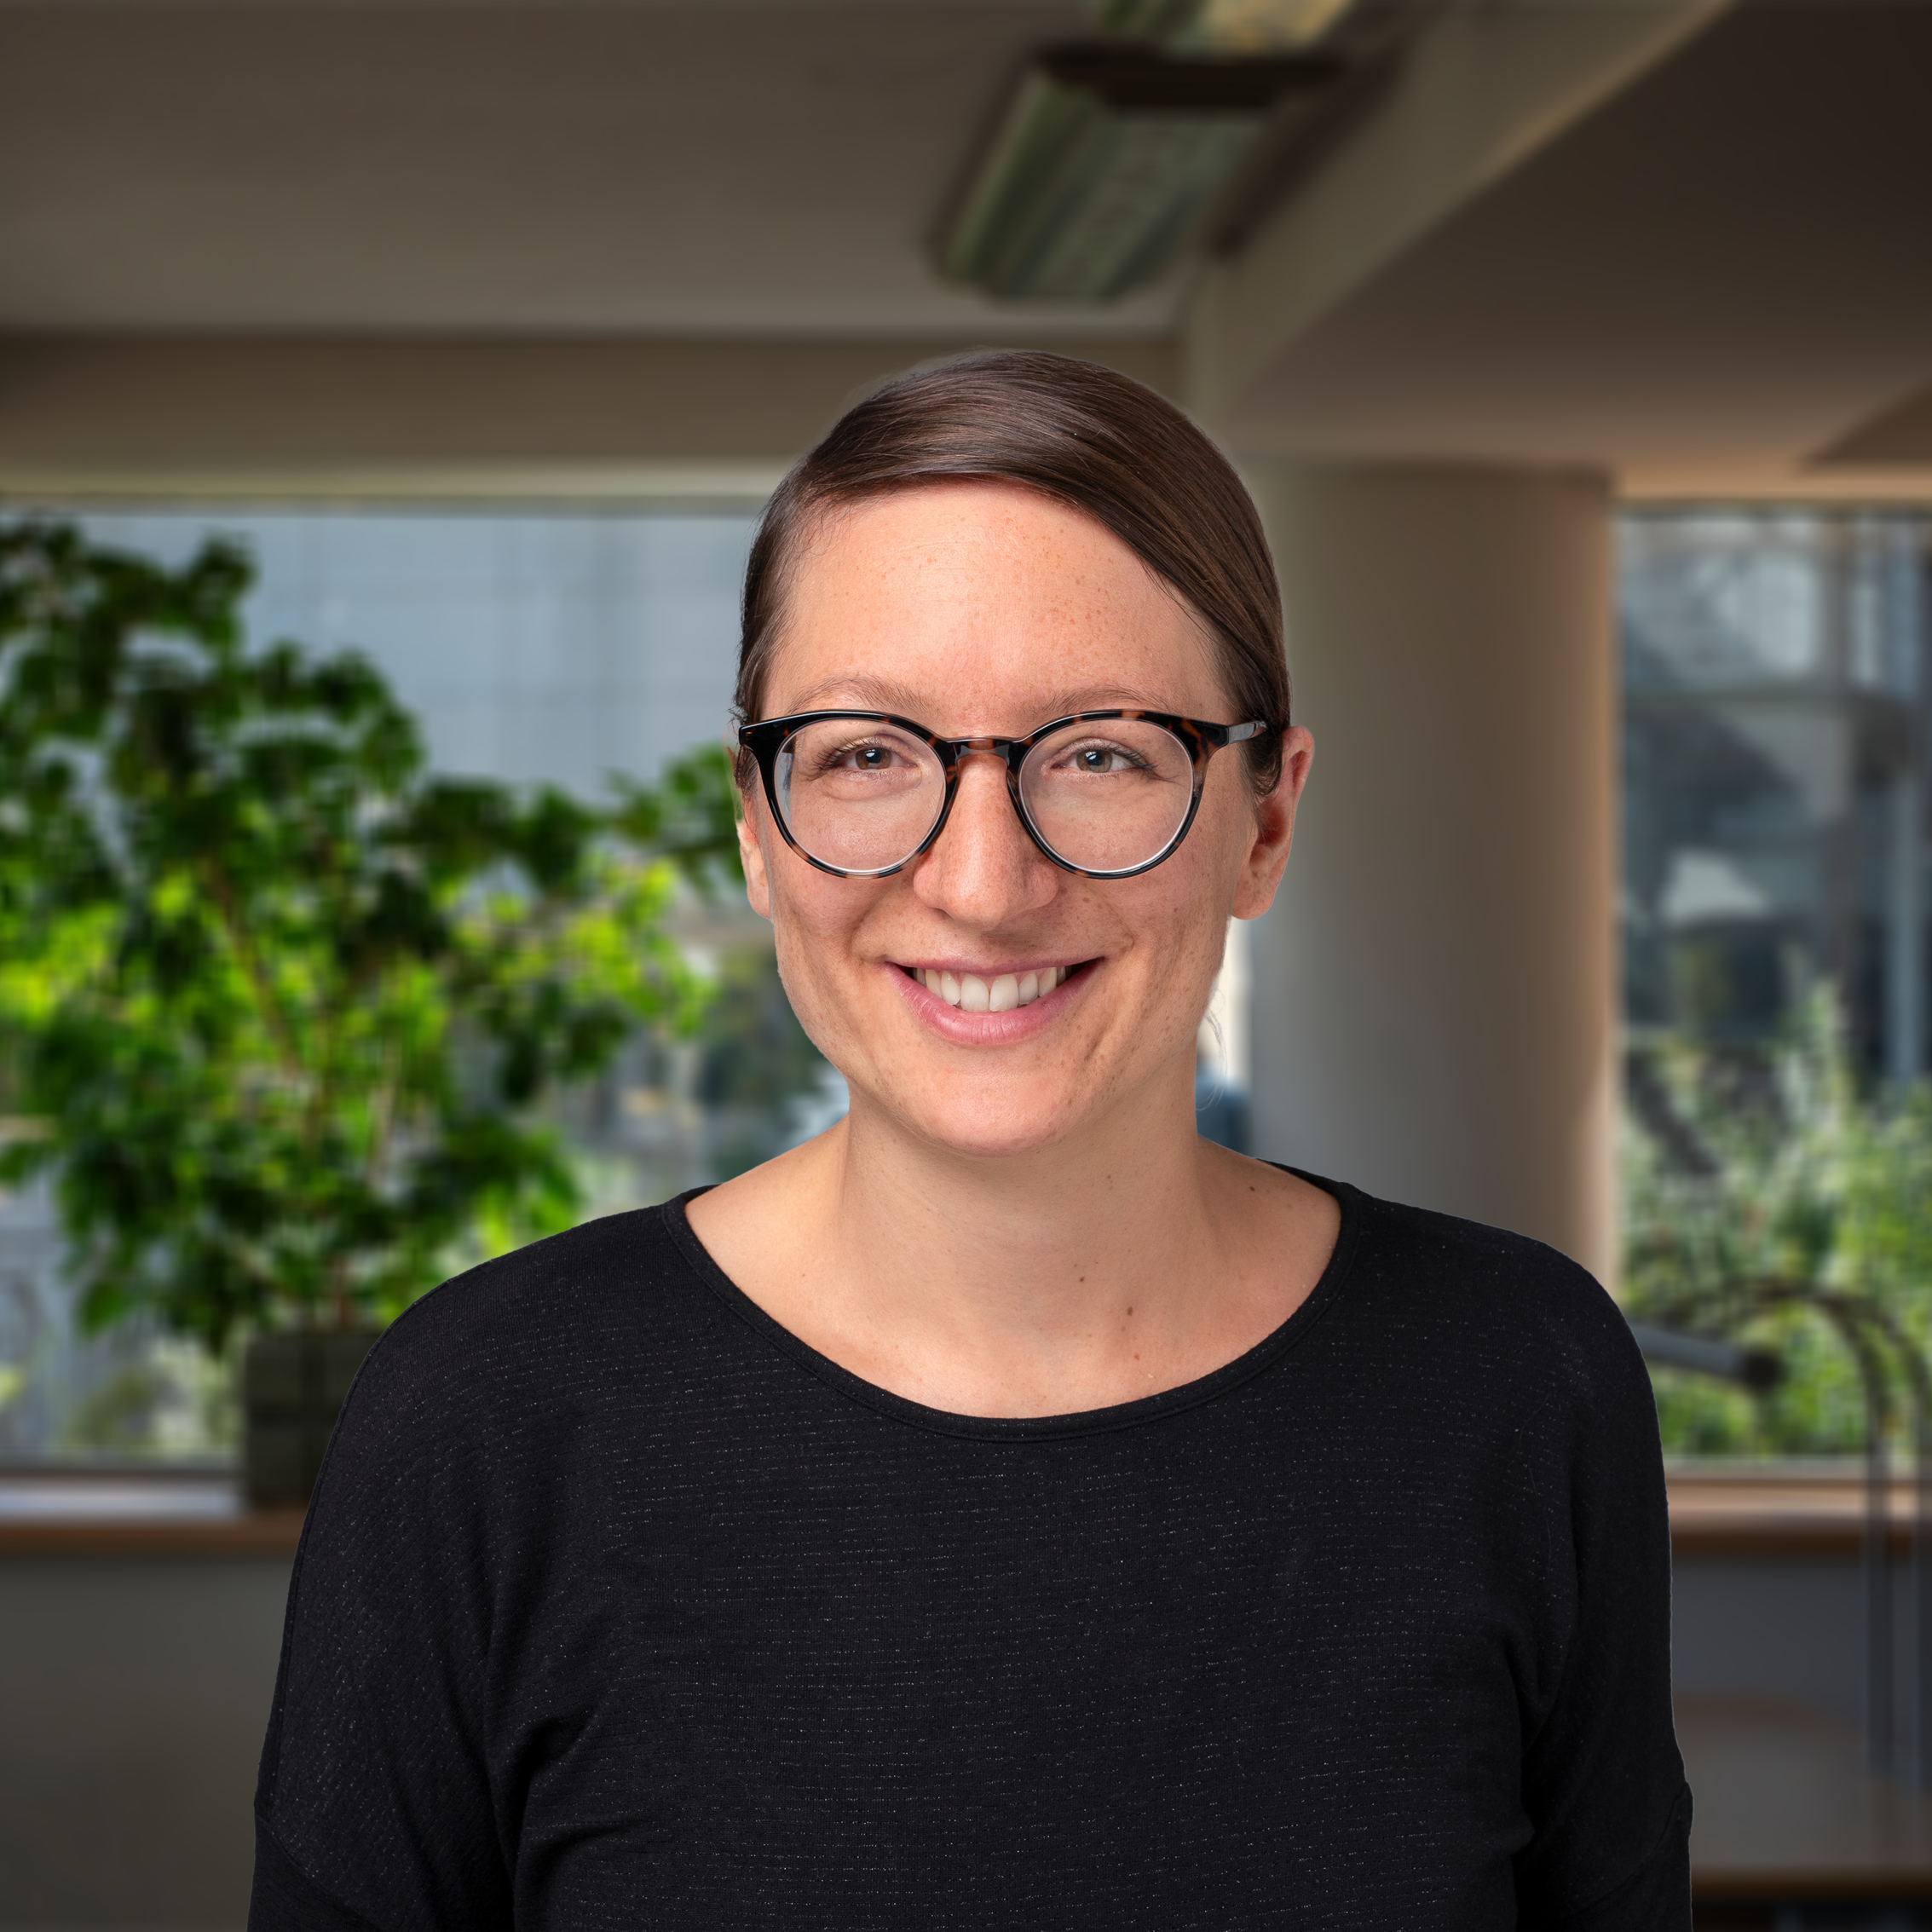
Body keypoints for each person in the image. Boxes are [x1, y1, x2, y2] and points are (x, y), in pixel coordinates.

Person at [249, 352, 1689, 1929]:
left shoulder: (1517, 1382)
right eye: (868, 753)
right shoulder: (482, 1419)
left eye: (1101, 751)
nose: (983, 883)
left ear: (1263, 818)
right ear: (754, 821)